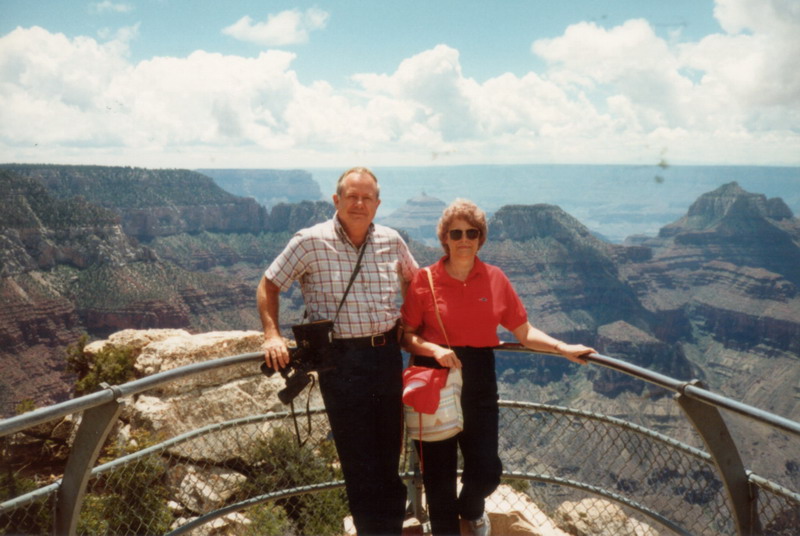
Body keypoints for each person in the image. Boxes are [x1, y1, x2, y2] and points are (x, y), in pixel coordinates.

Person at [401, 199, 595, 536]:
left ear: (481, 238)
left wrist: (562, 348)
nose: (464, 239)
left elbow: (523, 331)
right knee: (438, 478)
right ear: (445, 237)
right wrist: (433, 348)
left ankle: (472, 509)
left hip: (479, 378)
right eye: (456, 232)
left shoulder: (494, 278)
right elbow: (406, 336)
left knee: (486, 470)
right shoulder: (424, 280)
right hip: (435, 377)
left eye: (471, 232)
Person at [257, 167, 418, 536]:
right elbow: (269, 283)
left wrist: (409, 324)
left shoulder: (392, 240)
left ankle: (390, 529)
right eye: (351, 196)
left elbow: (413, 278)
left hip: (386, 355)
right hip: (341, 363)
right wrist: (272, 335)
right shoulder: (310, 241)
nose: (359, 204)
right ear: (336, 200)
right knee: (359, 462)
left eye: (367, 198)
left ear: (377, 204)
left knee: (388, 455)